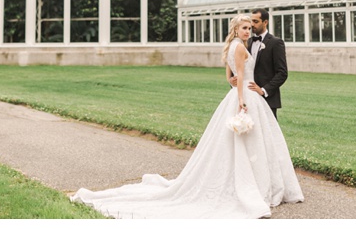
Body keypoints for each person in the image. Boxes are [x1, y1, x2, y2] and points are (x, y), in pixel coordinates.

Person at [70, 14, 304, 218]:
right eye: (244, 28)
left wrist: (231, 84)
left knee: (242, 144)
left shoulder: (231, 46)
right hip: (245, 97)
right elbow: (240, 76)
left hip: (235, 94)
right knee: (252, 143)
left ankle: (244, 180)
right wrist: (242, 101)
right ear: (236, 29)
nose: (248, 31)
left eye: (250, 28)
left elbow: (230, 74)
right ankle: (254, 183)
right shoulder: (241, 47)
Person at [231, 8, 288, 119]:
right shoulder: (247, 42)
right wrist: (232, 80)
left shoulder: (276, 43)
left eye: (256, 22)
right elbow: (239, 67)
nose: (252, 25)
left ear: (265, 22)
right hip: (247, 97)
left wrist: (263, 90)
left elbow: (282, 73)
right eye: (251, 21)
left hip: (267, 99)